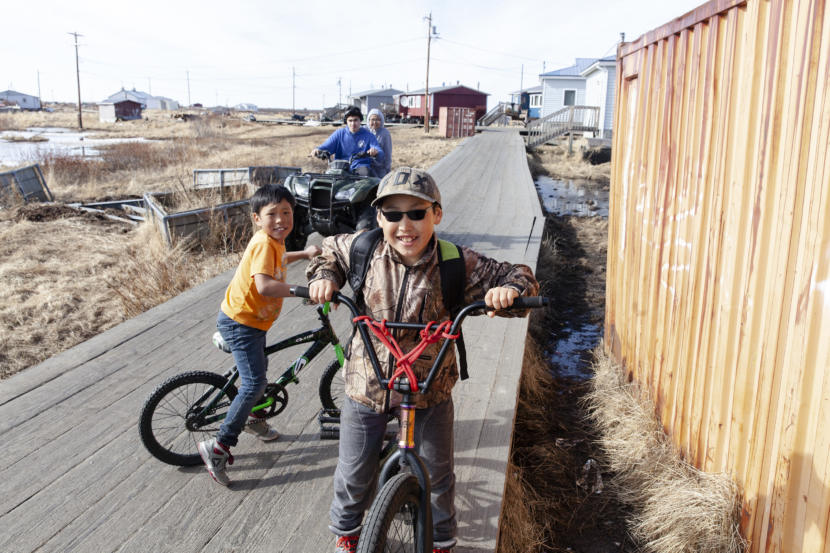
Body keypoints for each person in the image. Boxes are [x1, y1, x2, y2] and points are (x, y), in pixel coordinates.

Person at [306, 167, 540, 553]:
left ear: (437, 214)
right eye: (393, 214)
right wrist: (325, 276)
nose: (405, 225)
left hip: (429, 388)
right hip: (368, 384)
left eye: (417, 213)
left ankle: (441, 543)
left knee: (438, 474)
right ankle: (347, 536)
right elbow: (328, 251)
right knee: (353, 471)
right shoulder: (364, 248)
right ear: (380, 217)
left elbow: (517, 275)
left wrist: (509, 291)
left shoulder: (454, 262)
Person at [198, 184, 321, 487]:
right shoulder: (265, 243)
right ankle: (219, 446)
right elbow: (265, 285)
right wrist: (304, 290)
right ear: (256, 218)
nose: (281, 219)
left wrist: (305, 253)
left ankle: (252, 418)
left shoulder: (274, 241)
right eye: (272, 214)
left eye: (286, 212)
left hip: (251, 322)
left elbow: (279, 260)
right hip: (241, 323)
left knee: (258, 376)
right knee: (254, 383)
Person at [312, 106, 383, 176]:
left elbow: (380, 152)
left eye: (355, 120)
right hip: (340, 168)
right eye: (350, 120)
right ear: (346, 121)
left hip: (360, 168)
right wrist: (318, 150)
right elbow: (326, 146)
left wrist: (375, 152)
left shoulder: (368, 135)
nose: (353, 124)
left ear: (360, 120)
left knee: (364, 174)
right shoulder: (339, 134)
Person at [366, 108, 392, 178]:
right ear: (368, 120)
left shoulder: (385, 133)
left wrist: (387, 169)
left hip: (380, 169)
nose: (374, 122)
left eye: (377, 120)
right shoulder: (364, 131)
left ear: (381, 121)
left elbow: (387, 153)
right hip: (365, 167)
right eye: (372, 119)